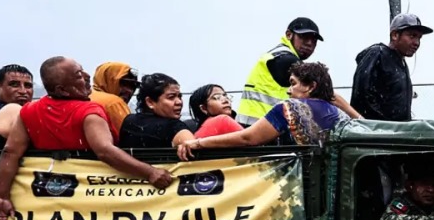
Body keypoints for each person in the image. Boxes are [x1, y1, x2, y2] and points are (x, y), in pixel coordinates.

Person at [0, 56, 173, 220]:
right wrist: (150, 172)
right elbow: (105, 151)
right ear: (62, 89)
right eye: (78, 75)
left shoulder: (29, 111)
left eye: (83, 70)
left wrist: (1, 196)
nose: (86, 76)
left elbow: (10, 153)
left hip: (48, 203)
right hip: (91, 205)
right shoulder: (89, 112)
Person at [180, 62, 348, 157]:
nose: (289, 90)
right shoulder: (339, 114)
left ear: (311, 86)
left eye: (293, 83)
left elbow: (248, 138)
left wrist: (198, 143)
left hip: (303, 188)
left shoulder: (290, 108)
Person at [235, 17, 359, 126]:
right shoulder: (283, 58)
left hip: (261, 127)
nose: (309, 43)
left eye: (313, 40)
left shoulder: (278, 55)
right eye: (304, 37)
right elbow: (327, 94)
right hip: (258, 130)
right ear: (289, 35)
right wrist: (359, 121)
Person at [351, 13, 434, 121]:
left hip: (397, 132)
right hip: (376, 132)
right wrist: (383, 127)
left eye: (419, 38)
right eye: (412, 36)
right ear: (395, 35)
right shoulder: (378, 54)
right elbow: (362, 96)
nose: (416, 43)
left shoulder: (401, 64)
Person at [118, 73, 195, 151]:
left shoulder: (129, 121)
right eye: (171, 97)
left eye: (179, 97)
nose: (179, 102)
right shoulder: (174, 127)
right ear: (150, 102)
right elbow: (194, 149)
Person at [89, 61, 139, 133]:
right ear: (107, 79)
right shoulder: (113, 103)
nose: (129, 91)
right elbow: (132, 137)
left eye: (133, 86)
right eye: (124, 84)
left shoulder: (84, 97)